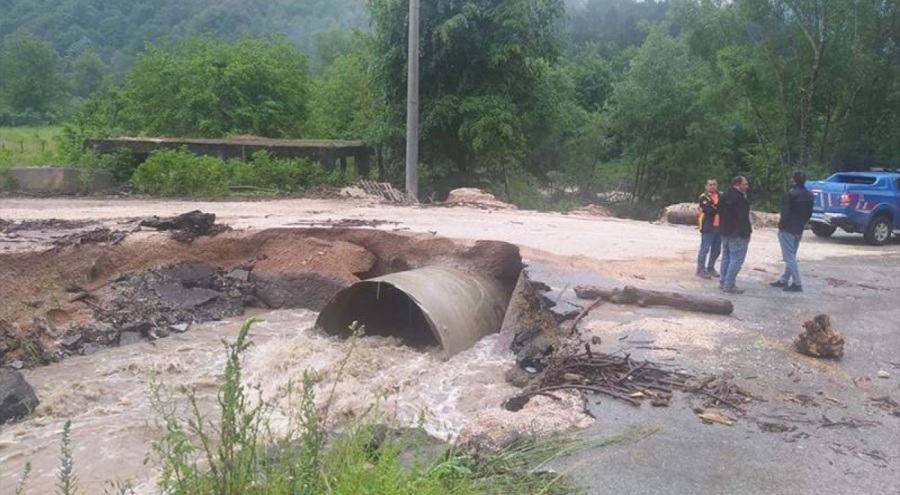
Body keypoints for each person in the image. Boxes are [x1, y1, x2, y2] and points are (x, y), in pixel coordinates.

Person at [770, 171, 814, 292]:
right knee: (792, 256)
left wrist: (781, 225)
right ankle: (784, 279)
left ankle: (797, 283)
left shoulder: (790, 194)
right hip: (799, 228)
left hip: (787, 228)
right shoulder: (809, 195)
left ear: (793, 180)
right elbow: (809, 213)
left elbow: (786, 212)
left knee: (789, 257)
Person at [718, 175, 752, 293]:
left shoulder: (723, 196)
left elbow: (719, 212)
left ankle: (723, 281)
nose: (747, 186)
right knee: (736, 259)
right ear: (737, 184)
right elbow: (743, 218)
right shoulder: (740, 199)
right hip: (737, 234)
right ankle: (730, 284)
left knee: (726, 257)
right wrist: (747, 234)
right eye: (745, 184)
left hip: (724, 231)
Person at [696, 178, 721, 279]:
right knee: (704, 249)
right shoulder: (703, 197)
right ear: (706, 186)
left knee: (717, 249)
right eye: (710, 185)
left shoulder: (720, 196)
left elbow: (721, 208)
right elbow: (708, 210)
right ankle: (700, 269)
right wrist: (718, 208)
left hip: (719, 227)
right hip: (707, 226)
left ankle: (710, 267)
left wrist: (715, 207)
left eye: (714, 184)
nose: (712, 186)